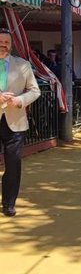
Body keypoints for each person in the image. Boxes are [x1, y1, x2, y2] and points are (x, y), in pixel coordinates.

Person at [0, 27, 41, 217]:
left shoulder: (23, 65)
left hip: (16, 122)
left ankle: (9, 203)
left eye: (6, 42)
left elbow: (35, 91)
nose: (3, 45)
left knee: (13, 164)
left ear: (11, 44)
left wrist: (20, 101)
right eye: (0, 41)